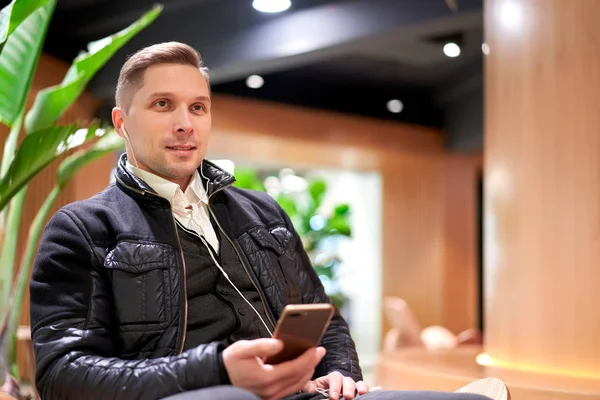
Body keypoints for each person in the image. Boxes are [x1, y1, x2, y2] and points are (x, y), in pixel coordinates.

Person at [29, 42, 492, 400]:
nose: (186, 123)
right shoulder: (83, 228)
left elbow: (322, 316)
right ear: (121, 122)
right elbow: (62, 376)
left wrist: (340, 374)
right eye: (162, 105)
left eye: (198, 107)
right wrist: (217, 368)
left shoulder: (261, 211)